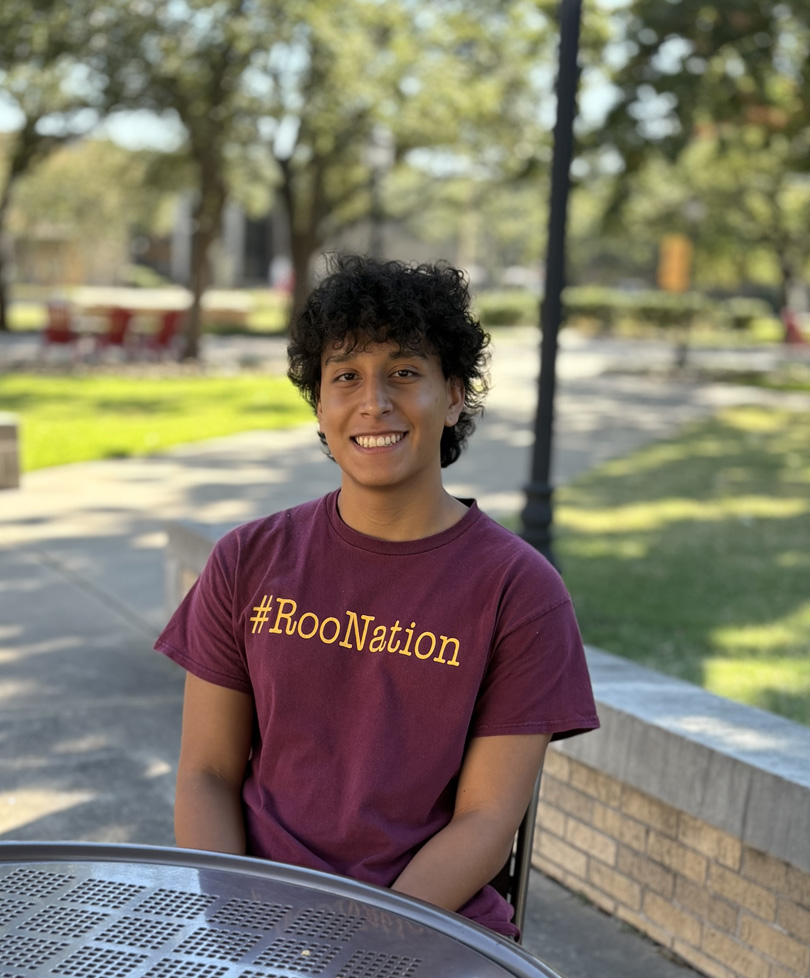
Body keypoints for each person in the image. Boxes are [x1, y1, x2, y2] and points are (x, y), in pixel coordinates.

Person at [155, 255, 599, 940]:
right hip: (258, 913)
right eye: (346, 376)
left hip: (430, 924)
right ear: (320, 404)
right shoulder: (246, 560)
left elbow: (486, 819)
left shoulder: (520, 592)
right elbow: (207, 774)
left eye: (404, 373)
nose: (374, 402)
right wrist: (238, 924)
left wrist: (363, 944)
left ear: (453, 396)